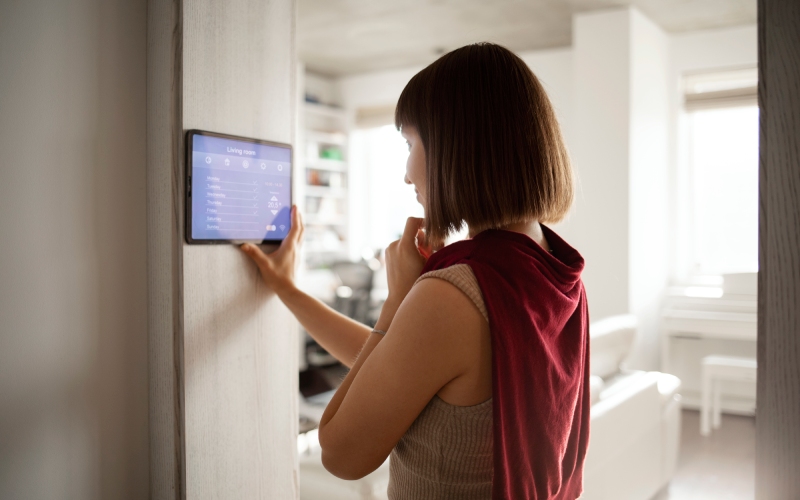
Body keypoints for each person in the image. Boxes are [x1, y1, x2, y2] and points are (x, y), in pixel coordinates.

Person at [241, 42, 590, 500]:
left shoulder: (453, 295)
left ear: (458, 148)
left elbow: (340, 454)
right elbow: (397, 363)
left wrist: (397, 301)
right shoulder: (552, 269)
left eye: (410, 144)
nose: (407, 173)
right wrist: (287, 289)